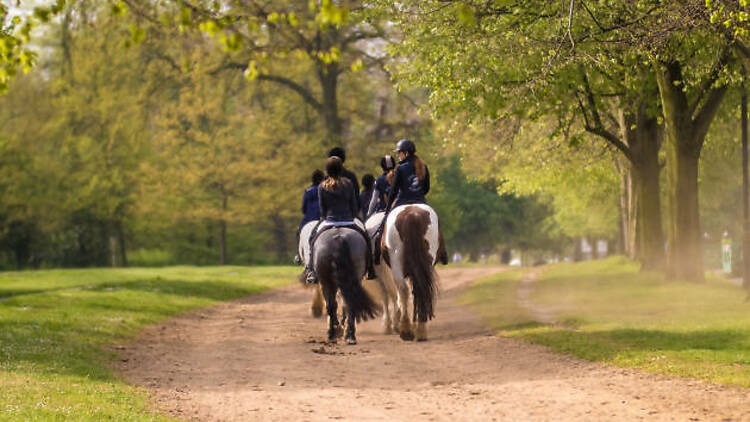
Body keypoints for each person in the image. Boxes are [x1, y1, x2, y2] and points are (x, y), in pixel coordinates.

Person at [305, 156, 377, 284]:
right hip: (348, 221)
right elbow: (353, 205)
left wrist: (326, 217)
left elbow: (323, 210)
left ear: (327, 170)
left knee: (312, 238)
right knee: (365, 237)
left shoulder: (322, 186)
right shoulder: (348, 183)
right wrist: (352, 214)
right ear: (341, 169)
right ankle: (370, 268)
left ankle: (311, 270)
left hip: (329, 221)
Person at [294, 169, 324, 265]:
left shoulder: (308, 191)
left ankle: (298, 255)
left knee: (299, 232)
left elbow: (303, 209)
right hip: (322, 218)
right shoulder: (324, 189)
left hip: (309, 218)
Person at [327, 147, 360, 216]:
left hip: (330, 217)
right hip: (348, 216)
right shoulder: (351, 177)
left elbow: (322, 206)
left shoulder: (325, 180)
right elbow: (356, 198)